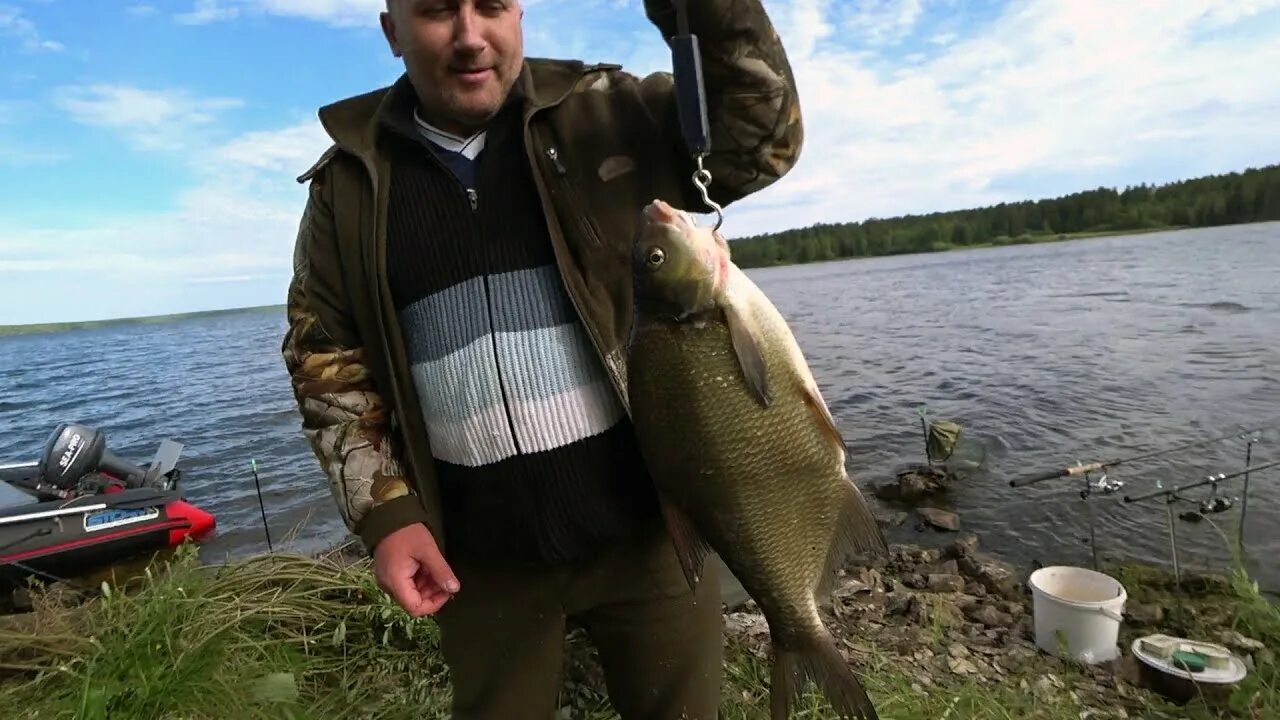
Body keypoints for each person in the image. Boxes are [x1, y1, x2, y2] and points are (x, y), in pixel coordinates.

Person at [281, 0, 803, 717]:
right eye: (436, 12)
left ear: (520, 13)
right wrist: (388, 514)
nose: (470, 37)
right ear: (391, 31)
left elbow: (760, 141)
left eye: (491, 6)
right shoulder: (349, 184)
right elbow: (326, 361)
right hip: (478, 562)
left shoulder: (609, 112)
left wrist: (709, 11)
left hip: (653, 535)